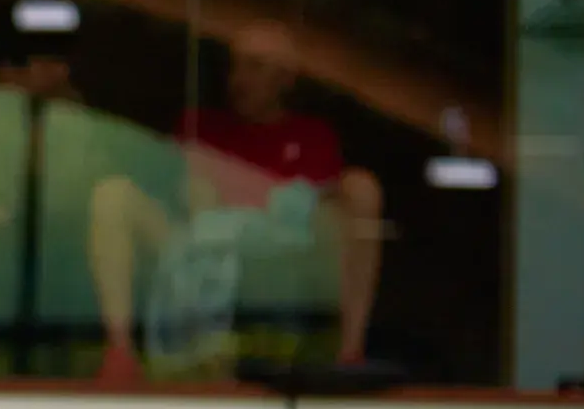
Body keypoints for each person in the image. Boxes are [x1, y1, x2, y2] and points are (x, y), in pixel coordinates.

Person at [88, 20, 385, 383]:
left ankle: (350, 351)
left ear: (285, 79)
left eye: (255, 66)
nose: (240, 78)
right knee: (113, 194)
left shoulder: (312, 137)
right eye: (236, 65)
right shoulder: (199, 126)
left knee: (361, 188)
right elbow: (174, 199)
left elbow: (310, 216)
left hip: (278, 262)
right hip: (197, 249)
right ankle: (119, 352)